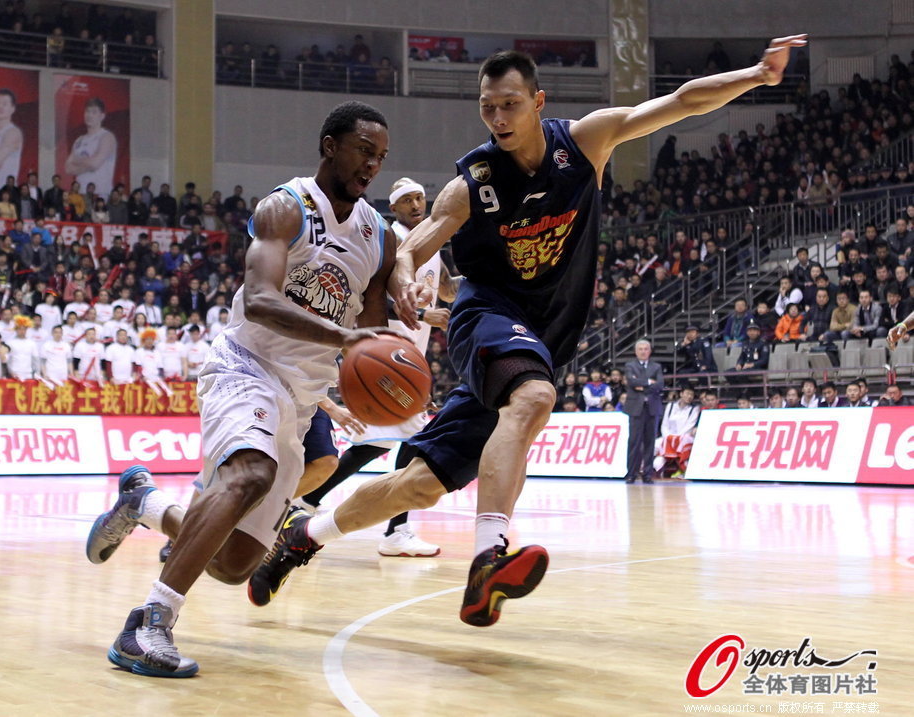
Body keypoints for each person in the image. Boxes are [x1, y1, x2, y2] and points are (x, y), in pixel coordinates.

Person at [231, 38, 809, 626]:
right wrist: (403, 274)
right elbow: (414, 245)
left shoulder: (585, 143)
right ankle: (487, 561)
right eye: (488, 108)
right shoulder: (473, 181)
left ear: (537, 101)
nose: (499, 119)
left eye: (509, 105)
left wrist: (758, 74)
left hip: (543, 336)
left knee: (418, 486)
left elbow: (680, 103)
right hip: (486, 317)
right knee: (534, 396)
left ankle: (305, 534)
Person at [86, 101, 395, 677]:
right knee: (247, 474)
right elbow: (260, 299)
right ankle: (148, 624)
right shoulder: (286, 208)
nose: (371, 165)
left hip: (301, 403)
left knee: (232, 564)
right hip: (245, 367)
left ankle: (145, 503)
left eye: (379, 156)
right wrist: (344, 335)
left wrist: (388, 358)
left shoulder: (380, 236)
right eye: (362, 151)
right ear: (330, 145)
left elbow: (371, 335)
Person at [272, 177, 459, 563]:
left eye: (419, 197)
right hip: (381, 354)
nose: (415, 204)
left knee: (376, 442)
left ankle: (309, 499)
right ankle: (397, 530)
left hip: (408, 356)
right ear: (393, 207)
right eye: (405, 200)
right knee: (415, 437)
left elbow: (447, 291)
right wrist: (424, 314)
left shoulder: (431, 245)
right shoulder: (391, 241)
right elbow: (370, 300)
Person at [623, 340, 665, 482]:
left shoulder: (656, 366)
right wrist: (648, 382)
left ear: (650, 351)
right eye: (640, 349)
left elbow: (660, 384)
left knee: (650, 442)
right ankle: (631, 473)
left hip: (652, 408)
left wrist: (641, 384)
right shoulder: (630, 365)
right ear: (636, 351)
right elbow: (631, 382)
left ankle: (647, 474)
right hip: (636, 408)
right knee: (634, 441)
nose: (643, 351)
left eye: (646, 349)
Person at [64, 97, 117, 200]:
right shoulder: (79, 140)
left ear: (102, 116)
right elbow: (68, 168)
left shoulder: (106, 137)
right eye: (87, 111)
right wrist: (89, 164)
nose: (89, 115)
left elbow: (95, 164)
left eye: (94, 112)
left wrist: (77, 160)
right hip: (81, 193)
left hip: (100, 193)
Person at [653, 385, 699, 478]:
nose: (689, 396)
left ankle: (683, 471)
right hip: (668, 437)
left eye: (692, 395)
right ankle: (645, 469)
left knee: (684, 443)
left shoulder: (694, 409)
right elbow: (664, 424)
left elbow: (689, 426)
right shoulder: (670, 406)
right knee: (654, 445)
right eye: (687, 393)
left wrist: (675, 438)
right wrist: (668, 437)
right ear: (681, 394)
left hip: (684, 437)